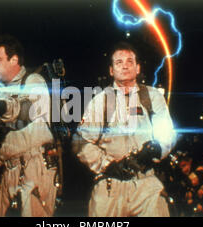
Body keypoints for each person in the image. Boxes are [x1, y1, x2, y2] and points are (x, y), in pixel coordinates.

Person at [73, 41, 176, 217]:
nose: (125, 66)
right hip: (110, 186)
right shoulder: (100, 101)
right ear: (111, 70)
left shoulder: (152, 97)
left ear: (137, 68)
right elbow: (82, 143)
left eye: (130, 61)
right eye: (119, 62)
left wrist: (155, 149)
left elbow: (167, 133)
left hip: (145, 183)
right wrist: (109, 165)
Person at [0, 35, 57, 217]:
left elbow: (28, 111)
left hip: (33, 166)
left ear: (14, 59)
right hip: (7, 169)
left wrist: (1, 108)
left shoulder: (33, 81)